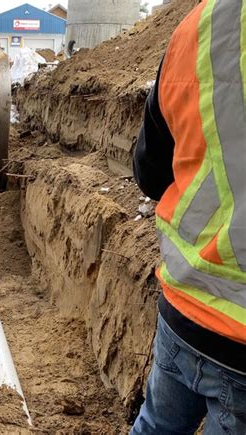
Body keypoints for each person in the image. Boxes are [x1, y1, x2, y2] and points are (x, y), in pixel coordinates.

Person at [131, 0, 246, 433]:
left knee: (154, 425)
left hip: (183, 307)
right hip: (239, 348)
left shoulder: (195, 27)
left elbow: (150, 171)